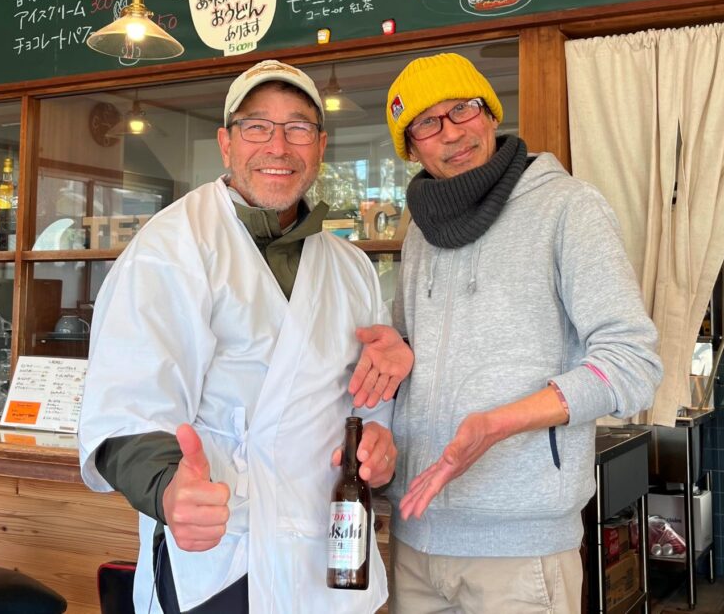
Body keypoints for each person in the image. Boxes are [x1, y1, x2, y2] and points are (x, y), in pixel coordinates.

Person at [79, 60, 412, 614]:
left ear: (320, 145)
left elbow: (365, 408)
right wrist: (168, 488)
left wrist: (379, 443)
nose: (278, 146)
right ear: (226, 144)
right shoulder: (172, 247)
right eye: (257, 127)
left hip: (328, 557)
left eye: (298, 128)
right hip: (223, 556)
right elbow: (126, 408)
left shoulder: (351, 266)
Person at [380, 53, 663, 614]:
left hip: (522, 547)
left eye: (463, 109)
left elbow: (633, 363)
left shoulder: (567, 208)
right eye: (427, 123)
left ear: (489, 113)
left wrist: (501, 423)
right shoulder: (419, 231)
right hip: (415, 535)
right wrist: (400, 353)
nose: (453, 133)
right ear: (411, 147)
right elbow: (430, 354)